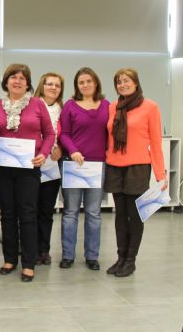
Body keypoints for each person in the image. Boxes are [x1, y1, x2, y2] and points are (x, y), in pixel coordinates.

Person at [0, 64, 55, 282]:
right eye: (13, 77)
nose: (17, 81)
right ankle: (9, 259)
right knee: (7, 213)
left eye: (22, 78)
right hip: (3, 167)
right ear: (6, 82)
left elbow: (50, 134)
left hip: (29, 167)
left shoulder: (37, 104)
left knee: (27, 213)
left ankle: (28, 262)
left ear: (28, 83)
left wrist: (43, 154)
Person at [104, 68, 167, 277]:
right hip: (115, 166)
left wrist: (161, 175)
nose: (123, 84)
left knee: (135, 215)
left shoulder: (150, 107)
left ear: (136, 83)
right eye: (119, 82)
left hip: (138, 167)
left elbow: (156, 143)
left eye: (127, 80)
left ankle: (131, 261)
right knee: (120, 216)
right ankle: (121, 258)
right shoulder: (113, 107)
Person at [58, 68, 109, 271]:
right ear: (76, 86)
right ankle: (68, 255)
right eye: (81, 82)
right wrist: (73, 151)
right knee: (70, 212)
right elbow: (64, 134)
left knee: (94, 212)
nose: (85, 85)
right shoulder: (69, 106)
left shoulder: (107, 106)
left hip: (98, 166)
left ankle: (92, 256)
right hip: (74, 164)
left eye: (89, 81)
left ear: (96, 83)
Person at [33, 72, 64, 266]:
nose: (53, 88)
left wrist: (61, 147)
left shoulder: (64, 109)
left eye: (57, 85)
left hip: (52, 167)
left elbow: (67, 134)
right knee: (30, 211)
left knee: (46, 211)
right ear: (42, 86)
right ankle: (30, 248)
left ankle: (44, 250)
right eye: (49, 84)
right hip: (32, 165)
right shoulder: (32, 105)